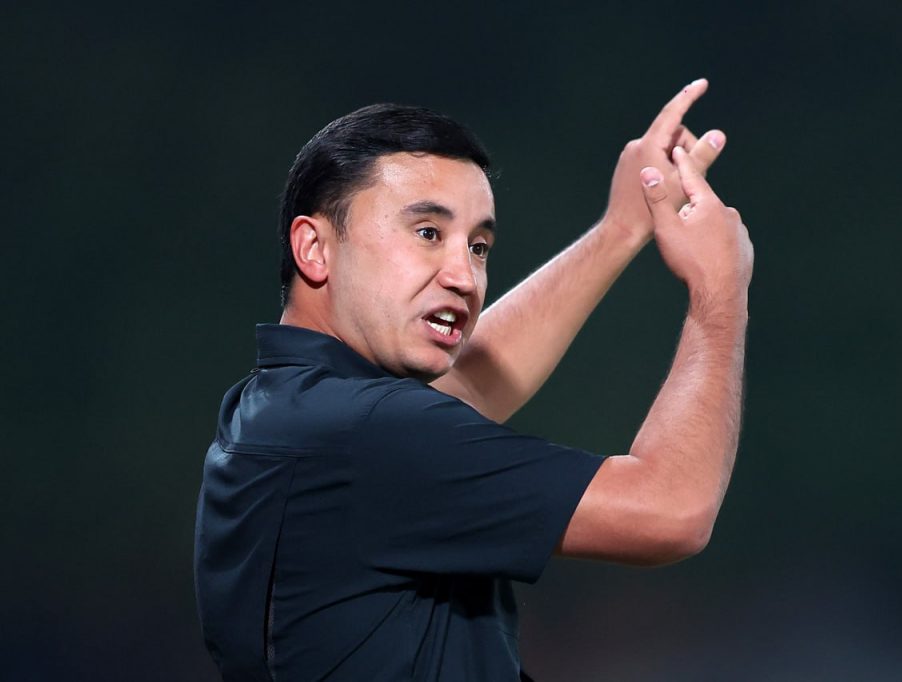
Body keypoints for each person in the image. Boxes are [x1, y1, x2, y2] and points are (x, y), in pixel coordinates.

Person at [194, 78, 753, 681]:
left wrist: (621, 227)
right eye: (428, 233)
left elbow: (474, 384)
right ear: (314, 248)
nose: (464, 276)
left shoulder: (276, 411)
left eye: (479, 246)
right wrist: (719, 290)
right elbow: (671, 510)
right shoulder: (368, 434)